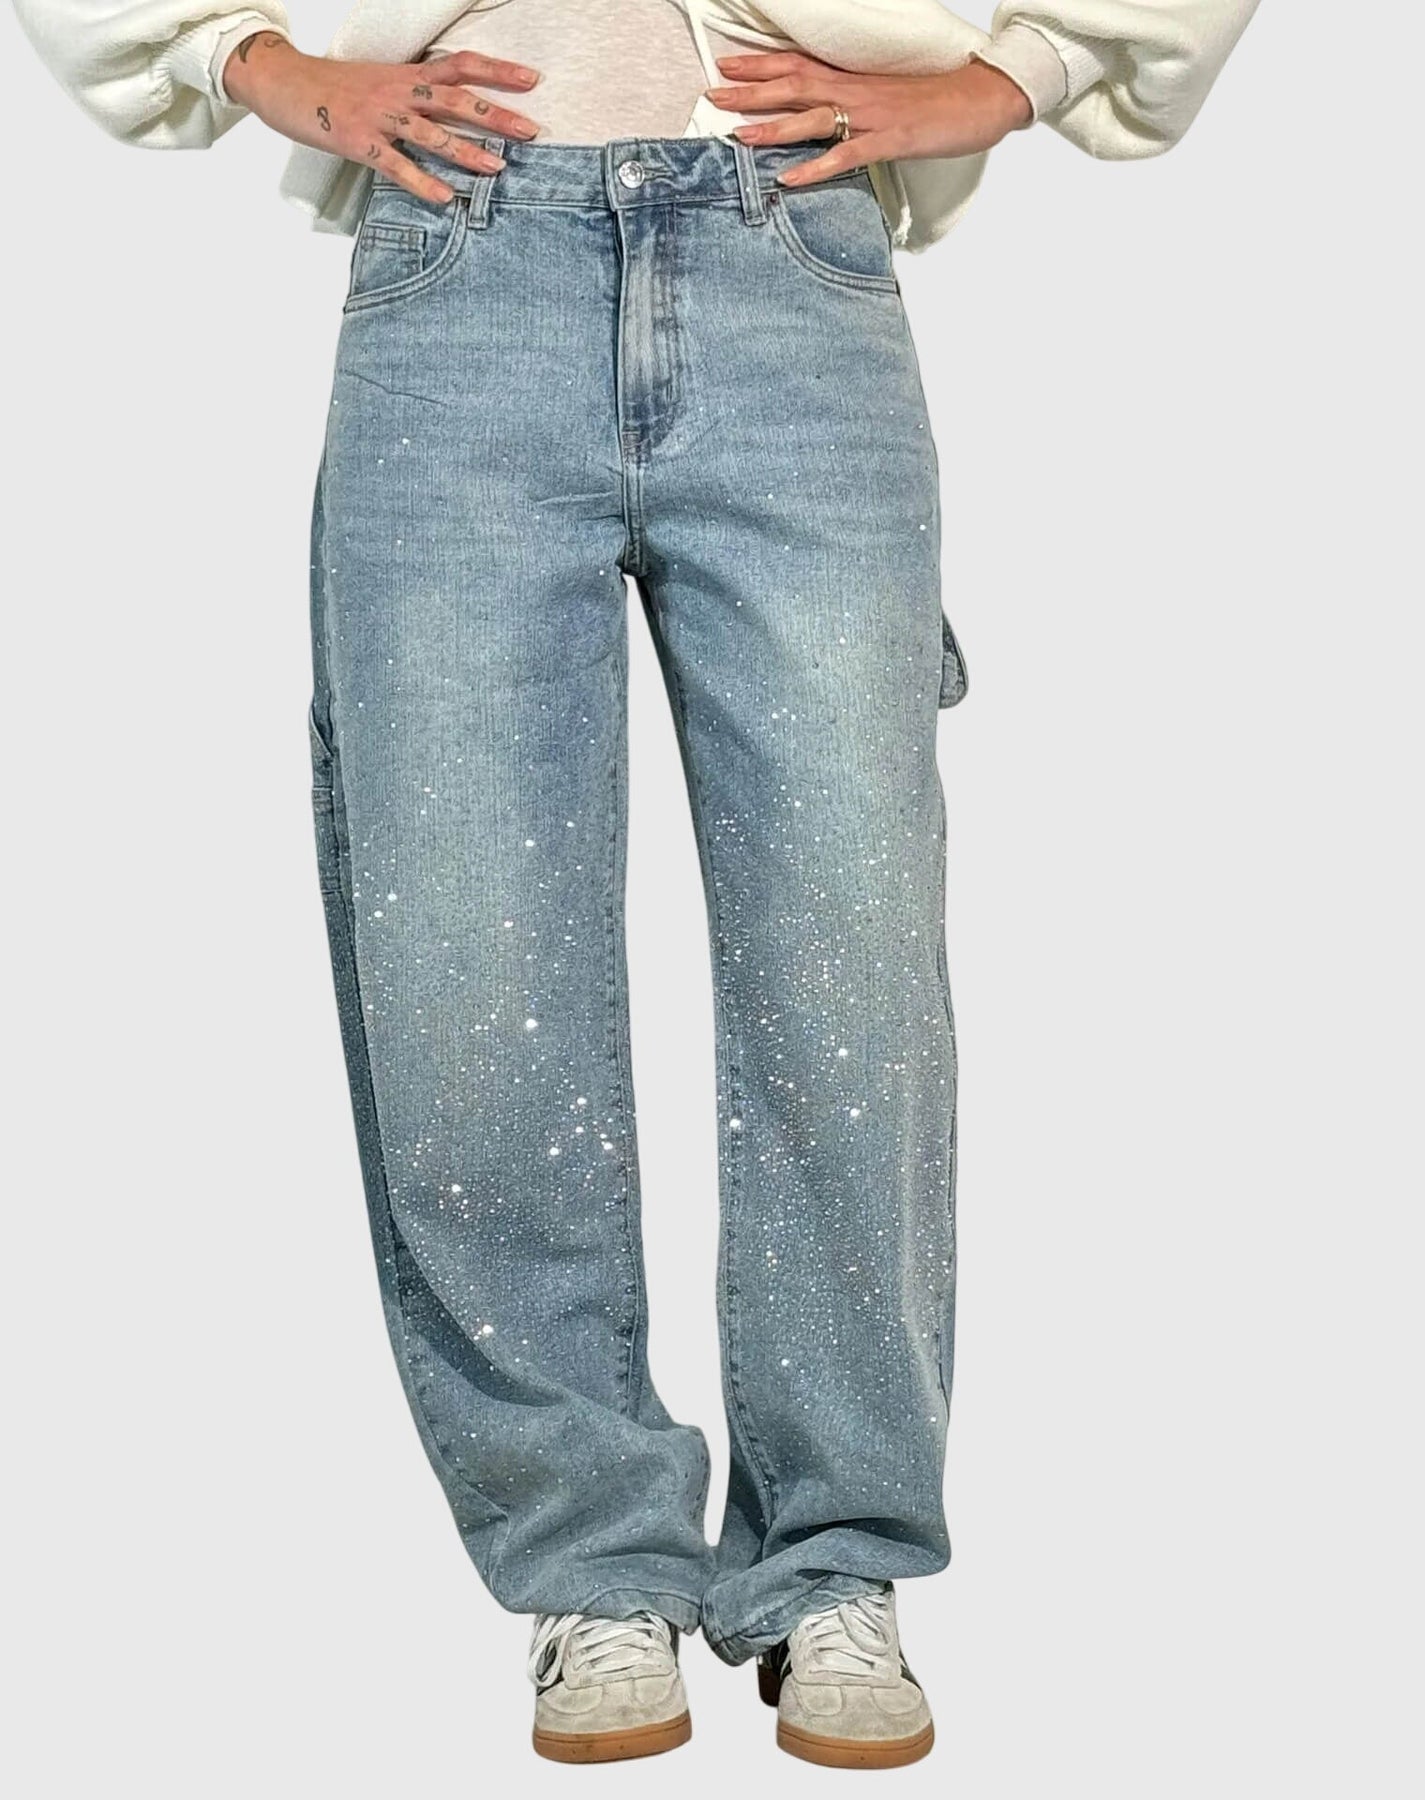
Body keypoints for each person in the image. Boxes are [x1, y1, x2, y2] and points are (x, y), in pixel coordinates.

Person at [15, 0, 1258, 1770]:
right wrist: (254, 63)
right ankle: (592, 1561)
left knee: (849, 959)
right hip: (457, 271)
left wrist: (1021, 77)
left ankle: (838, 1557)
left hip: (790, 260)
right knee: (465, 953)